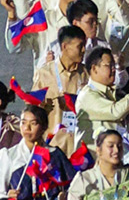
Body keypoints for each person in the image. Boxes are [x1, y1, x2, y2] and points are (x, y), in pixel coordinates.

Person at [31, 23, 89, 151]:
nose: (84, 50)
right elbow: (33, 109)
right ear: (64, 47)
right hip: (52, 147)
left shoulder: (87, 74)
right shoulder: (45, 74)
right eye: (80, 46)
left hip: (80, 147)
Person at [76, 47, 129, 143]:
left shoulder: (110, 92)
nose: (113, 69)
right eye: (108, 65)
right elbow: (115, 112)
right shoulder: (87, 96)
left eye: (113, 65)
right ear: (94, 69)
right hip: (94, 155)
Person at [1, 105, 74, 200]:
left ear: (44, 127)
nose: (27, 128)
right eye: (23, 123)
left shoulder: (55, 154)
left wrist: (64, 195)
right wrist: (8, 195)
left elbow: (72, 184)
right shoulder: (9, 155)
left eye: (33, 123)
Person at [67, 129, 129, 200]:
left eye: (119, 146)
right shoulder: (84, 179)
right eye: (111, 146)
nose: (116, 150)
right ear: (98, 150)